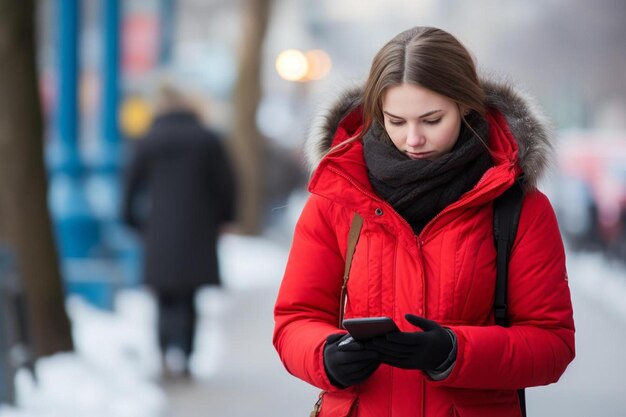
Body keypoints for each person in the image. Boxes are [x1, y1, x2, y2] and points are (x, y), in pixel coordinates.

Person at [273, 26, 575, 416]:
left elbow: (552, 343)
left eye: (431, 120)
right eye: (395, 121)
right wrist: (326, 355)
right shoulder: (337, 199)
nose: (412, 138)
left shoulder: (518, 208)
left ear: (466, 106)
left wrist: (456, 351)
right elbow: (296, 319)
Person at [122, 82, 236, 378]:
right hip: (198, 230)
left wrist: (133, 222)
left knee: (163, 296)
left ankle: (162, 352)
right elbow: (226, 184)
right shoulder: (207, 139)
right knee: (189, 296)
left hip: (158, 230)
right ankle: (185, 355)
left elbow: (130, 185)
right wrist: (225, 218)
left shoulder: (149, 139)